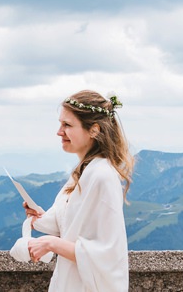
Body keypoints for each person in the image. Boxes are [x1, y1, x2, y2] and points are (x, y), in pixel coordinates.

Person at [25, 90, 134, 292]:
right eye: (60, 124)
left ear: (93, 130)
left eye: (67, 125)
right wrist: (39, 217)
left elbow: (108, 254)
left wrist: (52, 244)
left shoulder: (102, 176)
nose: (59, 131)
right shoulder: (83, 171)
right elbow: (71, 224)